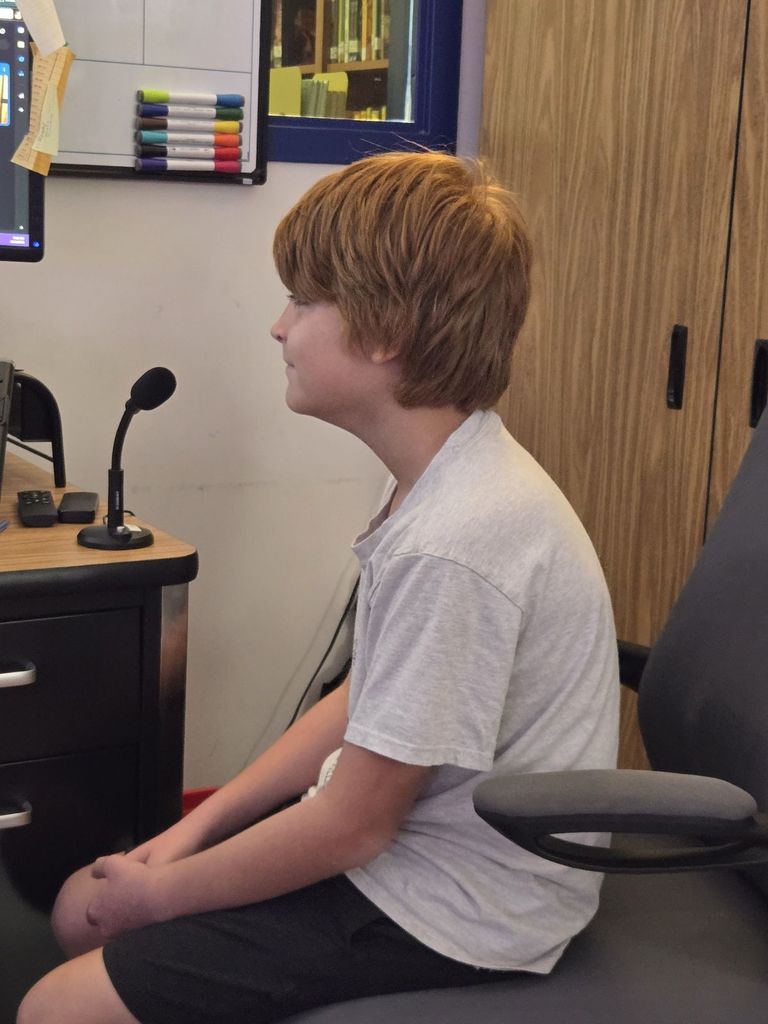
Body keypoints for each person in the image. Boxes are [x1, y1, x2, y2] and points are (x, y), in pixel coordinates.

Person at [17, 151, 619, 1024]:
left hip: (460, 909)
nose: (277, 326)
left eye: (303, 300)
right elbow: (363, 704)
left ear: (385, 333)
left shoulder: (455, 540)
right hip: (412, 854)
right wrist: (189, 834)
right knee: (85, 910)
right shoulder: (442, 478)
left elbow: (354, 827)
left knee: (54, 1004)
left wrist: (164, 896)